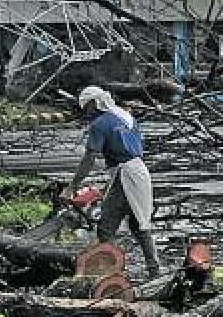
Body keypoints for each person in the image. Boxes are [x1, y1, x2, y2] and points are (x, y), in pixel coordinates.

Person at [66, 85, 162, 278]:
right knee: (139, 224)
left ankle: (108, 271)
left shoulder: (99, 124)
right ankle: (154, 270)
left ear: (94, 103)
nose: (87, 112)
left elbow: (90, 157)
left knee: (106, 226)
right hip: (140, 172)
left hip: (124, 174)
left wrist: (73, 185)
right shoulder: (126, 116)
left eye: (87, 108)